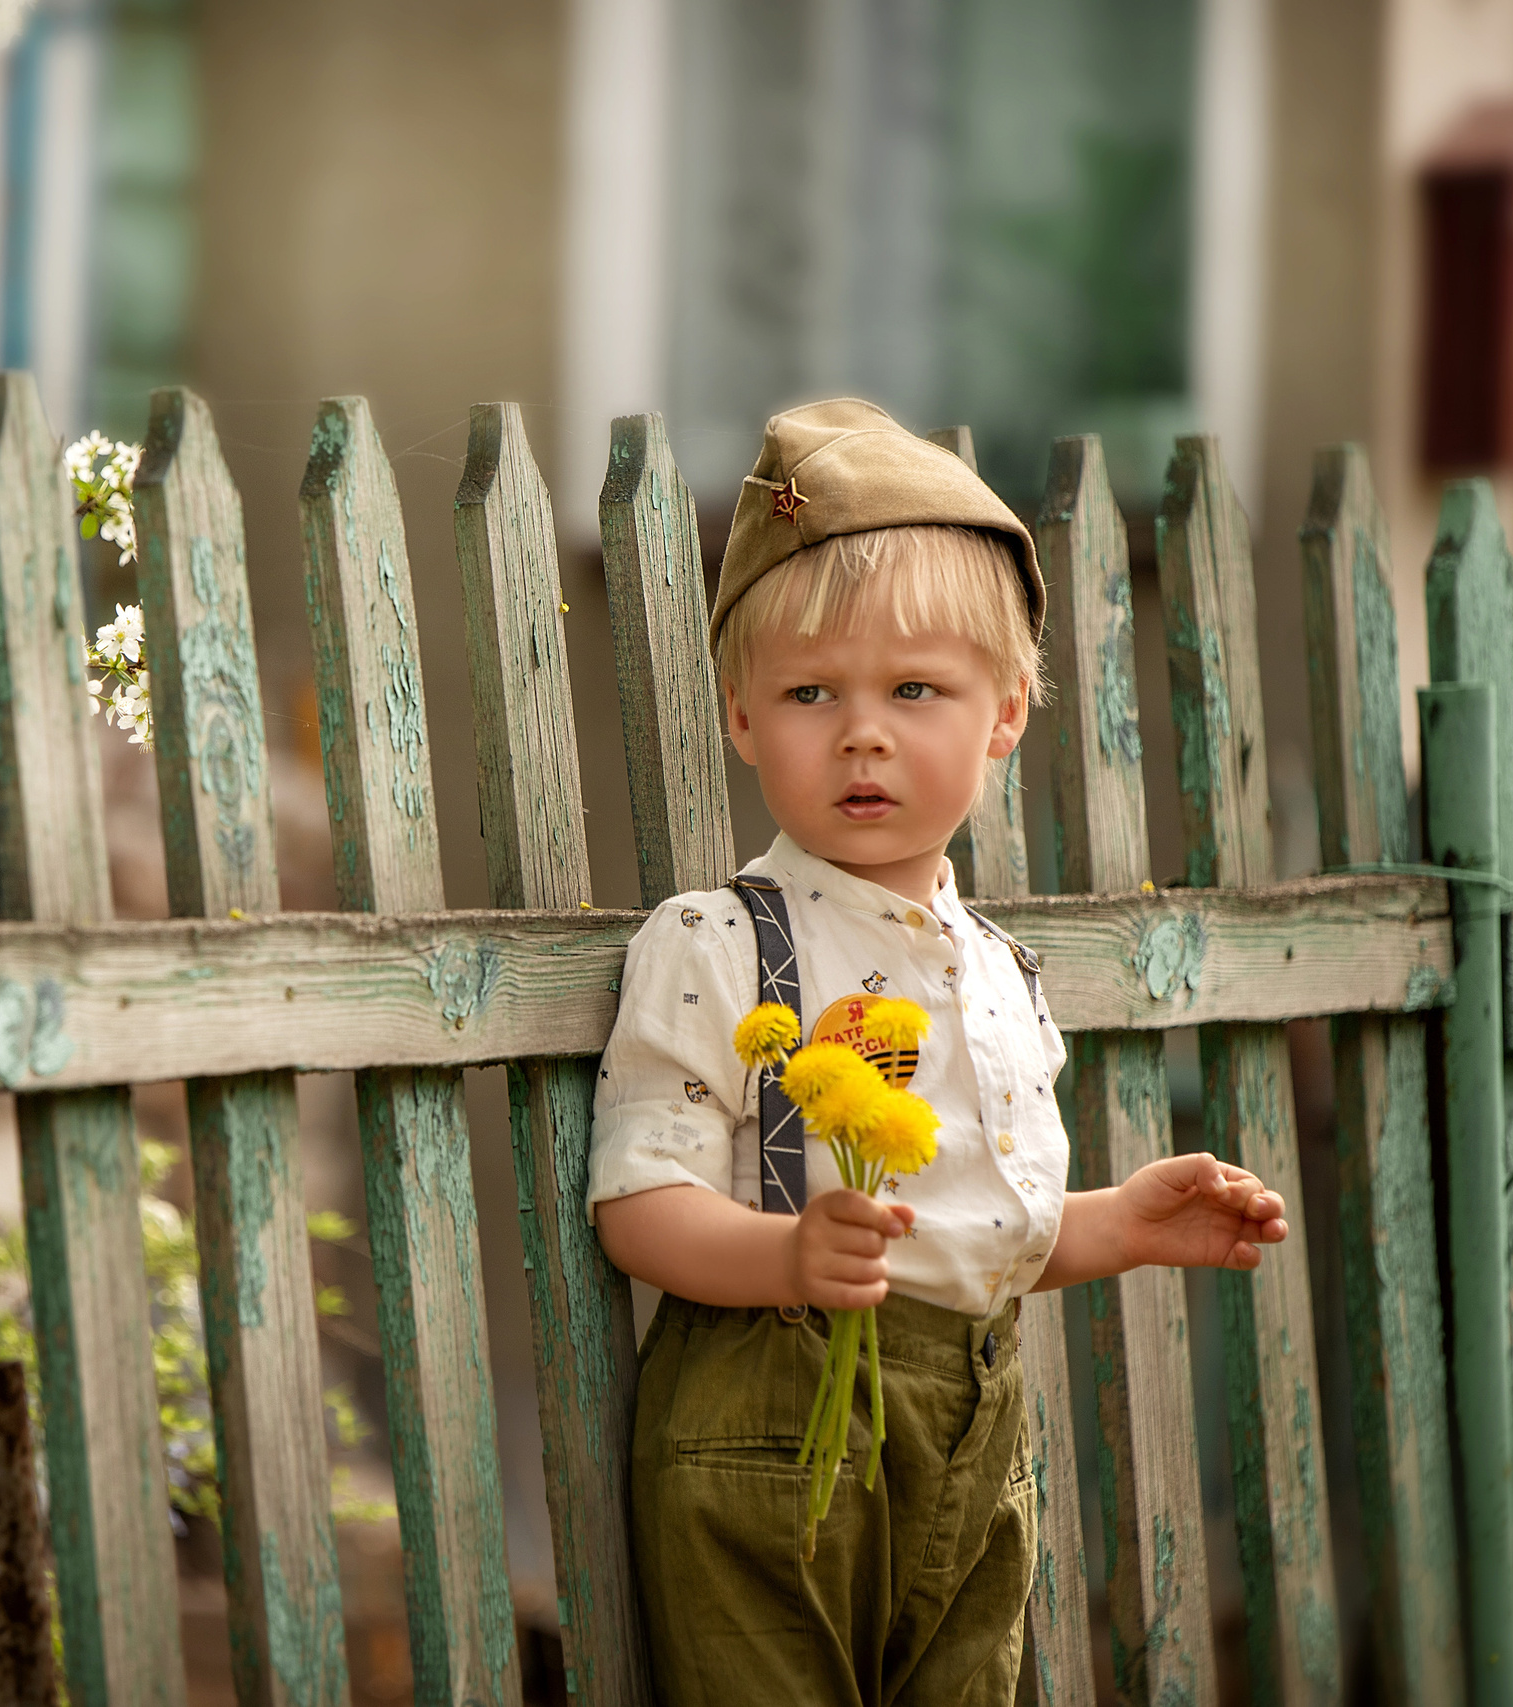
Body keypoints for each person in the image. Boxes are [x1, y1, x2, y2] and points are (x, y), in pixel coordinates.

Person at [588, 399, 1289, 1705]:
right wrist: (784, 1253)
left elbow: (974, 1235)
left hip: (975, 1425)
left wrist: (1118, 1224)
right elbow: (640, 1206)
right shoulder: (722, 942)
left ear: (1006, 717)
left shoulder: (1001, 971)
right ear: (743, 719)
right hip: (770, 1429)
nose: (863, 732)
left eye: (916, 691)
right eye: (811, 694)